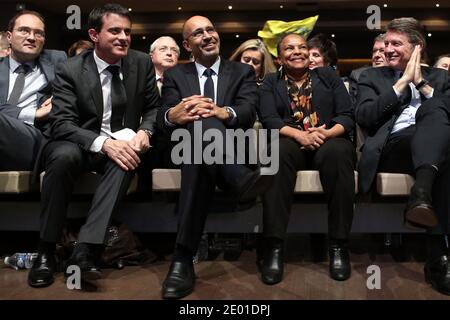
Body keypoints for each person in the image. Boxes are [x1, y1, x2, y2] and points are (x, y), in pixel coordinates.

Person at [28, 3, 160, 288]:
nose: (124, 37)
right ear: (94, 35)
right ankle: (46, 251)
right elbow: (61, 123)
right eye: (115, 31)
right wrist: (103, 144)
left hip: (122, 143)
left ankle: (84, 249)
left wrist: (145, 131)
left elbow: (153, 108)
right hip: (77, 141)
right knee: (63, 157)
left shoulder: (141, 63)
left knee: (128, 155)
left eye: (127, 31)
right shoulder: (71, 68)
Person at [157, 15, 268, 299]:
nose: (207, 35)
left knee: (201, 134)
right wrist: (174, 115)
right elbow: (163, 117)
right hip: (183, 145)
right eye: (197, 33)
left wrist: (221, 112)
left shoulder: (241, 72)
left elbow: (247, 113)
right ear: (187, 44)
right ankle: (239, 178)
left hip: (228, 144)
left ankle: (182, 259)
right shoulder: (175, 75)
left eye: (210, 29)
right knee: (197, 126)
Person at [356, 17, 450, 295]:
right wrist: (402, 84)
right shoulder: (370, 77)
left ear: (418, 46)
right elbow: (365, 116)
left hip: (434, 148)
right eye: (386, 44)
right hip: (394, 147)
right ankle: (438, 255)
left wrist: (421, 84)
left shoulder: (441, 78)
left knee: (433, 113)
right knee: (434, 119)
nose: (387, 50)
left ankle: (423, 195)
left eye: (396, 44)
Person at [257, 33, 356, 284]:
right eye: (289, 49)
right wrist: (299, 136)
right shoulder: (270, 82)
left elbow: (346, 116)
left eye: (302, 47)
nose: (298, 51)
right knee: (276, 153)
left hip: (327, 139)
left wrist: (325, 132)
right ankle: (275, 247)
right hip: (290, 141)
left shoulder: (328, 77)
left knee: (340, 152)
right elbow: (269, 120)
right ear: (279, 58)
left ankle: (338, 246)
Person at [0, 11, 66, 171]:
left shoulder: (57, 61)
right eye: (24, 30)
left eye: (39, 33)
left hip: (37, 139)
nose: (31, 37)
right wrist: (34, 113)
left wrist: (60, 99)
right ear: (9, 36)